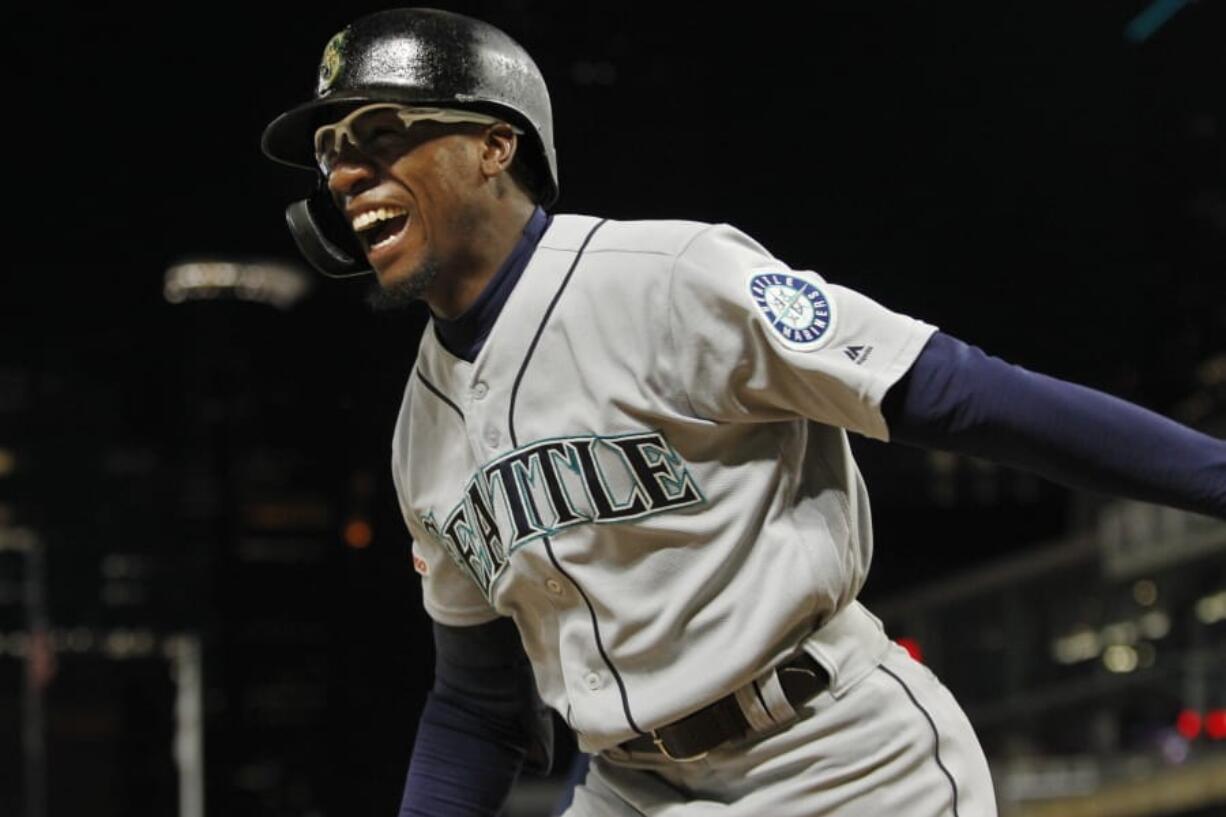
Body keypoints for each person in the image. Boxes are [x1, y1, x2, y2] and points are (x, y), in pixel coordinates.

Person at [261, 8, 1226, 817]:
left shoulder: (668, 280)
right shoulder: (420, 433)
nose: (345, 173)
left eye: (380, 134)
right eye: (332, 152)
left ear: (492, 145)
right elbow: (477, 704)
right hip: (632, 787)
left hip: (834, 762)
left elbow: (962, 395)